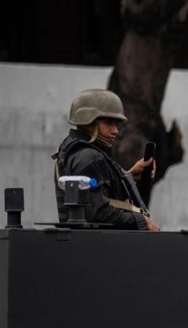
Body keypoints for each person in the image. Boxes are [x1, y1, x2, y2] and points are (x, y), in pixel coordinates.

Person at [52, 89, 159, 231]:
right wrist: (141, 220)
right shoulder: (89, 157)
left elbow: (98, 198)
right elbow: (98, 214)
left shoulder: (75, 151)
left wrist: (129, 176)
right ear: (88, 121)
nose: (115, 130)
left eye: (116, 124)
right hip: (99, 246)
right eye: (108, 123)